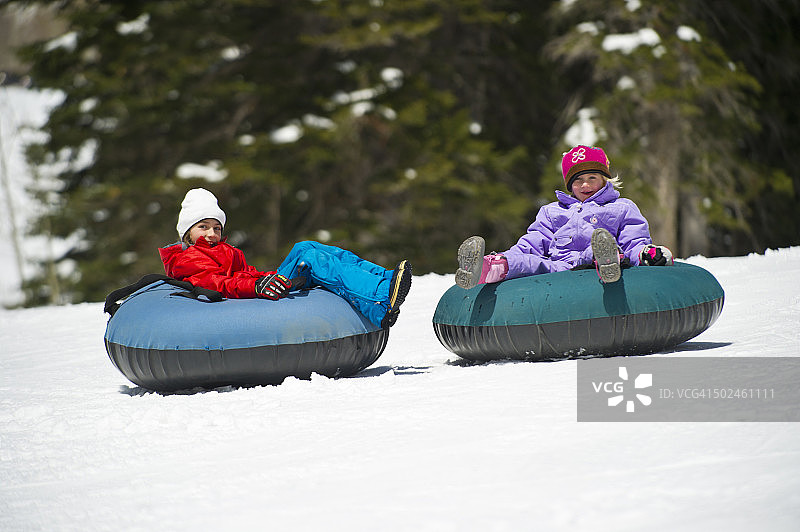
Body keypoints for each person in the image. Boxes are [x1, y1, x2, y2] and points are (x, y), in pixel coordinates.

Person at [159, 188, 412, 328]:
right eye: (203, 227)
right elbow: (217, 284)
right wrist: (258, 285)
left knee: (306, 247)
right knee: (311, 258)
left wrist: (263, 277)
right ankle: (379, 297)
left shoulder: (225, 251)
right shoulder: (189, 258)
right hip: (254, 295)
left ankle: (385, 279)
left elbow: (244, 272)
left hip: (261, 286)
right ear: (187, 233)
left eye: (216, 227)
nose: (212, 234)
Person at [455, 145, 673, 288]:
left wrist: (647, 254)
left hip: (594, 262)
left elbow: (634, 241)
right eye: (578, 180)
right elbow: (533, 242)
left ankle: (608, 260)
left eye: (592, 177)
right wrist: (511, 257)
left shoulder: (621, 207)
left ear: (605, 179)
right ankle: (488, 268)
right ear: (569, 184)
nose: (585, 185)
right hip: (558, 266)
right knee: (529, 262)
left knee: (600, 249)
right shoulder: (552, 212)